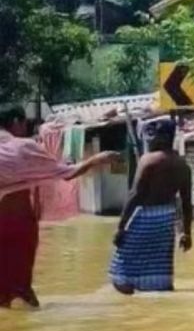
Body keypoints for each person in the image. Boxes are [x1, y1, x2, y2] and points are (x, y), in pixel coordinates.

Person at [0, 108, 119, 308]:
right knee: (23, 290)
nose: (26, 129)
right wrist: (96, 159)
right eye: (25, 124)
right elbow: (66, 173)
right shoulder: (23, 147)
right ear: (15, 122)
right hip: (20, 225)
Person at [110, 119, 192, 294]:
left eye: (152, 137)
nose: (150, 141)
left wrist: (121, 227)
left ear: (162, 138)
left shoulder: (148, 160)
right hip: (166, 219)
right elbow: (186, 202)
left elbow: (135, 194)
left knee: (120, 273)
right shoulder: (183, 166)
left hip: (144, 217)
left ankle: (134, 306)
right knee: (161, 272)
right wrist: (187, 233)